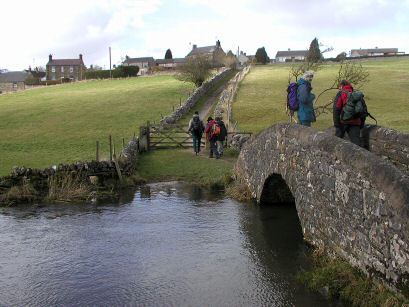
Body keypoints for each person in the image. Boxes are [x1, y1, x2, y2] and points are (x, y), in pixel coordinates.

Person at [334, 80, 362, 146]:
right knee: (357, 144)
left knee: (335, 142)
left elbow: (336, 109)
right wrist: (361, 123)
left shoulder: (340, 93)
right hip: (355, 122)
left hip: (343, 122)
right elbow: (362, 110)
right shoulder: (356, 94)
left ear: (341, 86)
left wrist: (337, 124)